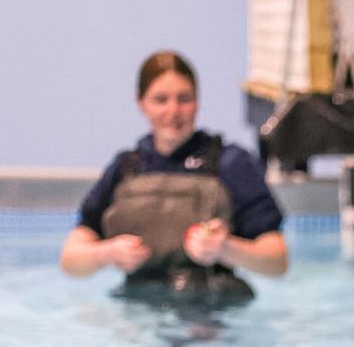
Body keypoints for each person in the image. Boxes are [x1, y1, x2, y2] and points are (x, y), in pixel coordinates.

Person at [60, 50, 287, 303]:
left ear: (198, 102)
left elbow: (277, 261)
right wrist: (105, 254)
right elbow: (70, 259)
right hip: (139, 308)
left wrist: (226, 249)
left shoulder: (230, 163)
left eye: (184, 99)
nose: (174, 111)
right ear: (141, 104)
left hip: (210, 308)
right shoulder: (126, 168)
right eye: (161, 100)